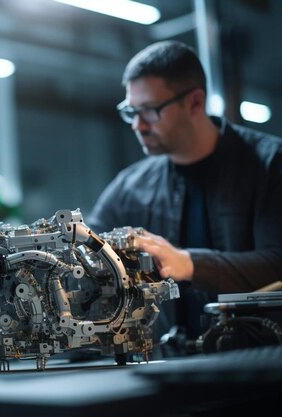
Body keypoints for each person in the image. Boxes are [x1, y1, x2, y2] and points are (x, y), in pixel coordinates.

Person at [86, 40, 282, 354]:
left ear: (194, 102)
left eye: (149, 110)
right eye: (131, 112)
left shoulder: (271, 164)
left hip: (261, 368)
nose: (138, 125)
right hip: (171, 369)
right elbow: (85, 245)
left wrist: (187, 264)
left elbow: (277, 263)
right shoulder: (130, 186)